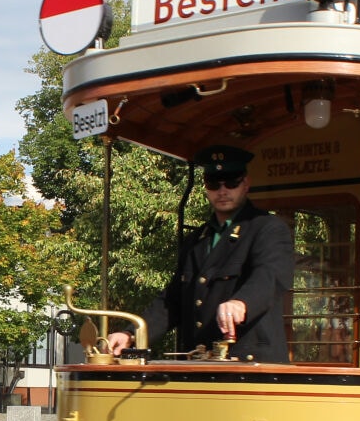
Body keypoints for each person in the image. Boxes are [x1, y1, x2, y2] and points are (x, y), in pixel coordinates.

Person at [105, 144, 293, 362]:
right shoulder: (197, 240)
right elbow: (171, 301)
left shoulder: (267, 228)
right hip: (200, 365)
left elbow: (271, 276)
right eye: (214, 183)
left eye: (231, 182)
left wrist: (242, 303)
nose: (222, 191)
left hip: (252, 366)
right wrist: (130, 334)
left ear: (246, 184)